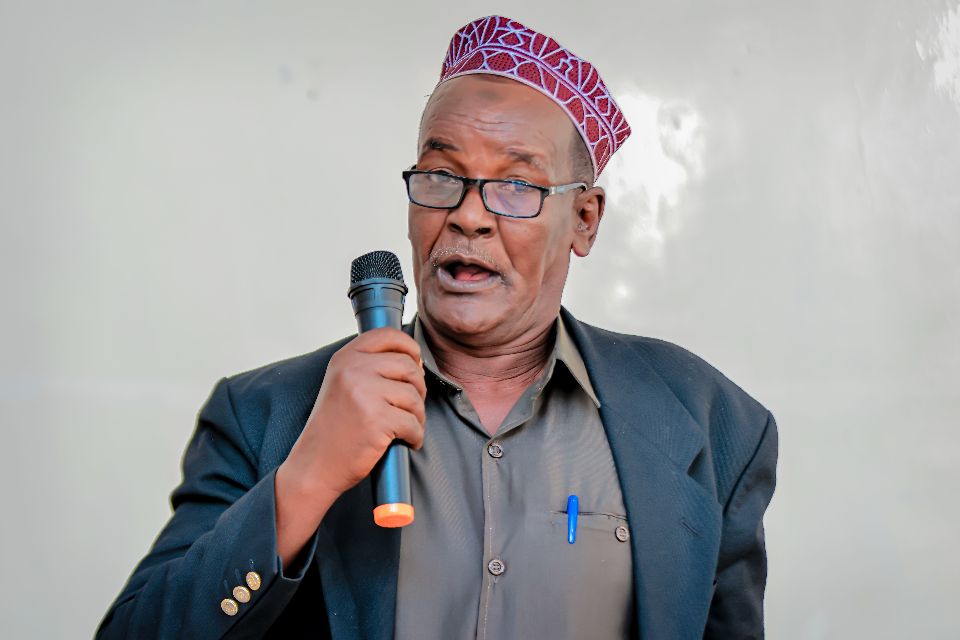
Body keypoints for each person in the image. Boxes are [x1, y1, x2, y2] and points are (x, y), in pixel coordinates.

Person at [98, 15, 777, 640]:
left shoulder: (711, 423)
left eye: (517, 185)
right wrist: (307, 478)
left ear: (584, 219)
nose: (468, 215)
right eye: (442, 174)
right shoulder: (261, 415)